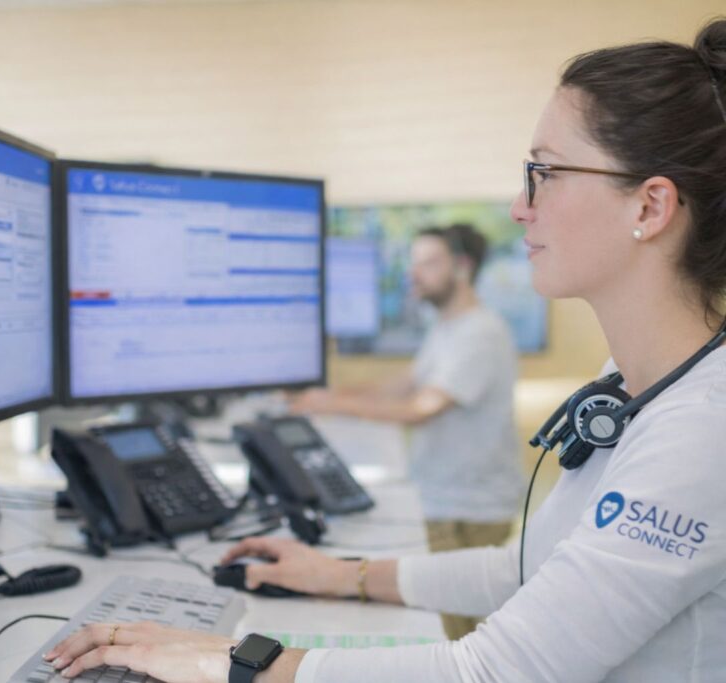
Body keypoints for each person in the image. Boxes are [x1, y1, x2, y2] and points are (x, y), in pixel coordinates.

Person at [44, 19, 726, 682]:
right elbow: (521, 569)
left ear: (649, 207)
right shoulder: (632, 383)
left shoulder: (700, 430)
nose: (519, 207)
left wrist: (218, 661)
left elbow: (492, 670)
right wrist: (340, 574)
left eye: (543, 172)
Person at [292, 222, 523, 640]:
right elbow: (405, 384)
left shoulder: (479, 334)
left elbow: (421, 408)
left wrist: (336, 405)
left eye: (429, 263)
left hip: (468, 509)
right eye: (414, 262)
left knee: (452, 632)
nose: (414, 273)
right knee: (447, 623)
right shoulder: (449, 325)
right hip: (445, 496)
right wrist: (330, 396)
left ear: (463, 267)